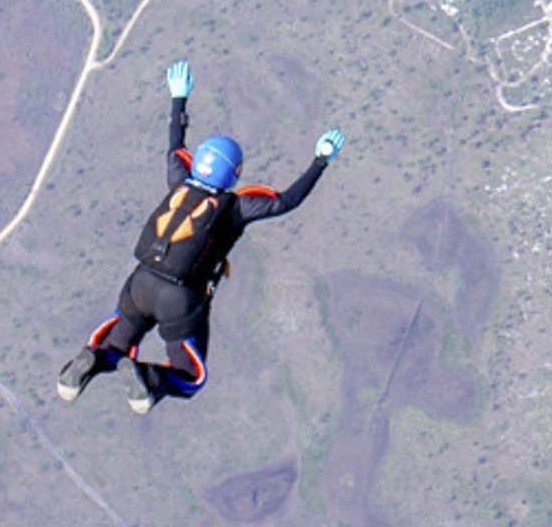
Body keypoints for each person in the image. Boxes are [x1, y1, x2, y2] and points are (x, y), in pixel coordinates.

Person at [58, 61, 341, 413]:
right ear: (234, 173)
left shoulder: (179, 179)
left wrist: (179, 99)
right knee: (191, 376)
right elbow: (286, 200)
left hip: (139, 282)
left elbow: (174, 144)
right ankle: (146, 381)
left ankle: (88, 363)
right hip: (180, 297)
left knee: (118, 344)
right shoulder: (235, 207)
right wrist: (320, 161)